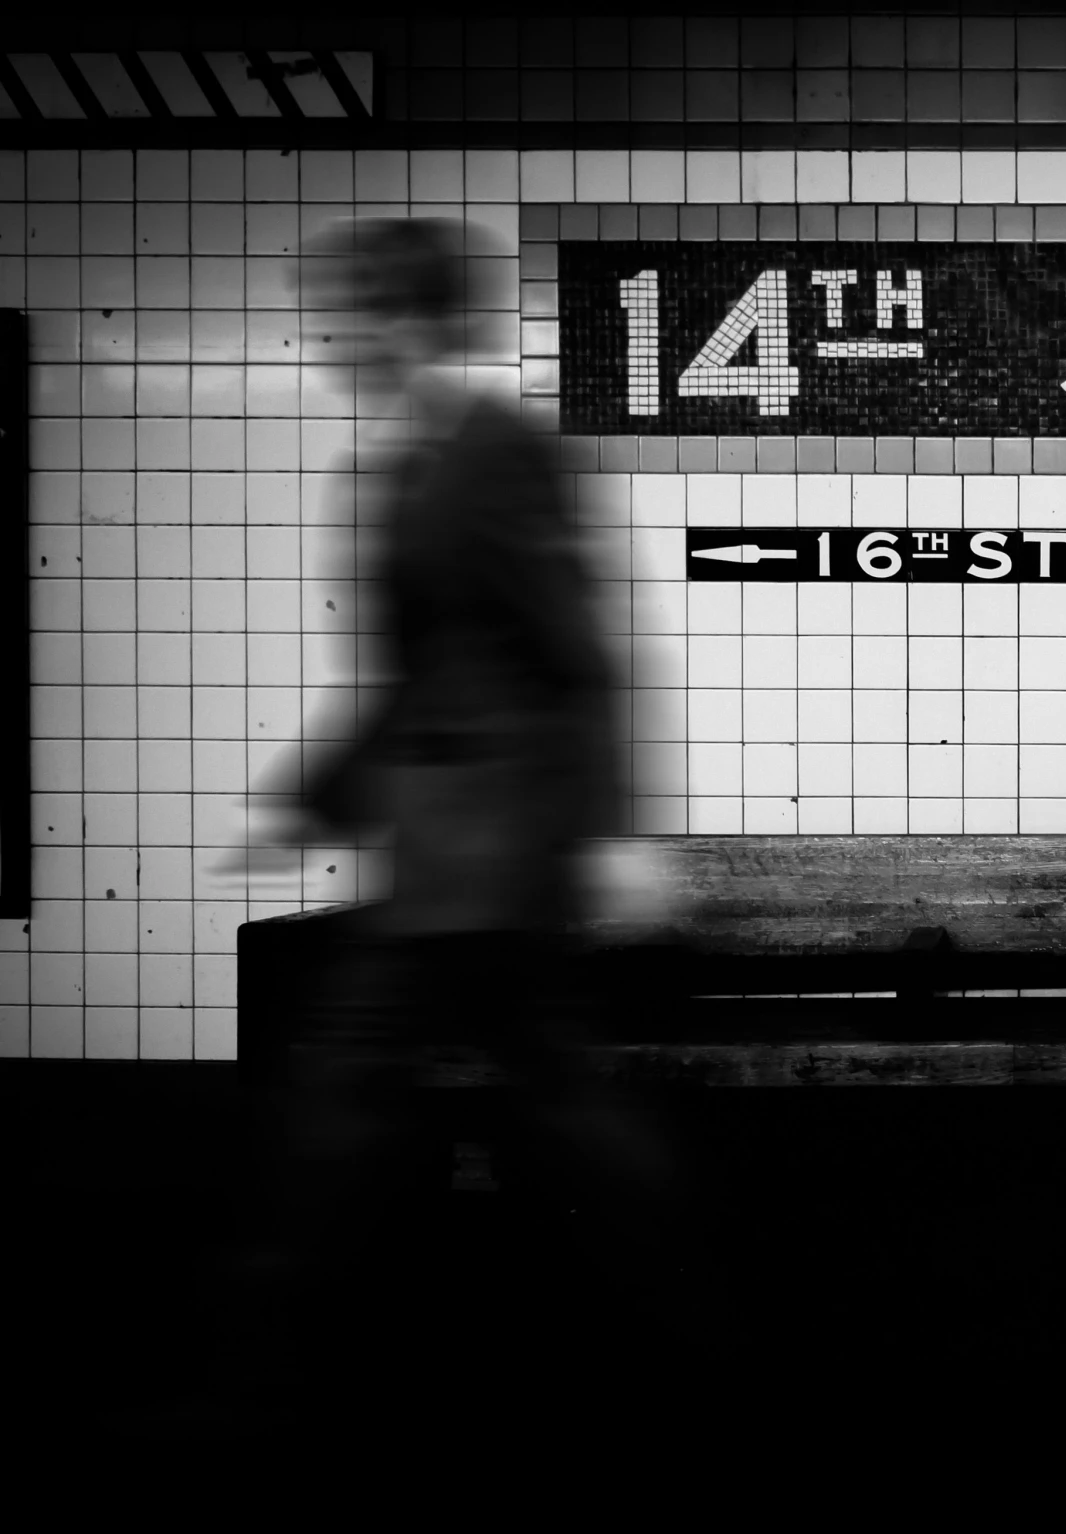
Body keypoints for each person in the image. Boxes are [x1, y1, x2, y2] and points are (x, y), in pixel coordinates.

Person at [206, 217, 713, 1435]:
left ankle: (263, 1372)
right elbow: (411, 674)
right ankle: (693, 1343)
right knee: (536, 1106)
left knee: (362, 1097)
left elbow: (585, 647)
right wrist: (307, 799)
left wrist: (616, 832)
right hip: (445, 856)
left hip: (497, 855)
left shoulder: (494, 451)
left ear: (409, 316)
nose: (328, 336)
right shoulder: (395, 459)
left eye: (347, 309)